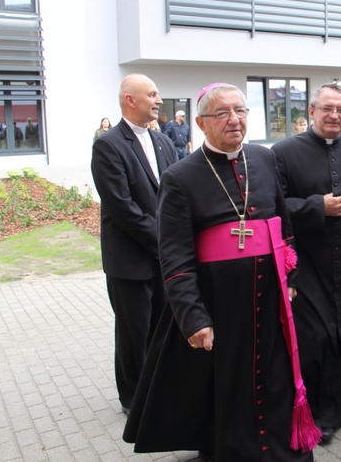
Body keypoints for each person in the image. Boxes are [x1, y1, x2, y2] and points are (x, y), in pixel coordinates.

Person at [123, 83, 318, 460]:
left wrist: (290, 276)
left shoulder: (263, 159)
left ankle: (277, 448)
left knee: (274, 377)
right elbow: (175, 256)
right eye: (222, 113)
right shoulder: (180, 177)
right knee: (227, 384)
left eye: (240, 111)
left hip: (268, 297)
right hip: (220, 302)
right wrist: (193, 317)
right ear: (200, 122)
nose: (234, 120)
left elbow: (284, 226)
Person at [271, 83, 341, 445]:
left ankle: (337, 410)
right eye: (327, 109)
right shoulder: (284, 152)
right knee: (314, 335)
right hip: (307, 261)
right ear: (312, 111)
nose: (335, 115)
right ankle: (311, 405)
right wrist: (316, 206)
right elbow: (274, 207)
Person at [90, 73, 177, 416]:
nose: (158, 100)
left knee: (161, 326)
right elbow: (122, 207)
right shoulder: (108, 145)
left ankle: (160, 387)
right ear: (131, 100)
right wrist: (165, 238)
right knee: (133, 331)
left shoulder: (165, 143)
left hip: (164, 257)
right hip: (130, 258)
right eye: (152, 94)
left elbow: (175, 195)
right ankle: (134, 399)